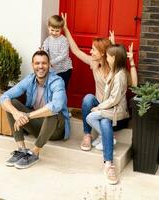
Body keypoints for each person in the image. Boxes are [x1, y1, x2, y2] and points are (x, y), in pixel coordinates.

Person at [61, 13, 137, 151]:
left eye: (94, 49)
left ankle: (106, 138)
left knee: (103, 120)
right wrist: (65, 29)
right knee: (88, 99)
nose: (90, 52)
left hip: (114, 113)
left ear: (103, 53)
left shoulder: (117, 70)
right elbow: (76, 50)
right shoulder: (94, 64)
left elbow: (134, 85)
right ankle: (87, 135)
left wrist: (131, 62)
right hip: (100, 108)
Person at [0, 50, 70, 169]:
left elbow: (56, 105)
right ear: (33, 65)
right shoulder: (29, 80)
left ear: (49, 65)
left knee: (53, 113)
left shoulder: (57, 81)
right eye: (37, 63)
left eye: (44, 63)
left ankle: (35, 152)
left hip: (56, 130)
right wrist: (16, 113)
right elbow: (3, 98)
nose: (40, 66)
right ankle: (21, 149)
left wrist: (27, 116)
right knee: (12, 104)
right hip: (38, 126)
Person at [86, 44, 131, 184]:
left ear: (114, 58)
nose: (106, 57)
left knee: (93, 117)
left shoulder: (120, 75)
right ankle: (109, 139)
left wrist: (99, 107)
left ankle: (108, 164)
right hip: (110, 109)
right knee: (95, 118)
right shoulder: (114, 70)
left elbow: (114, 99)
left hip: (118, 112)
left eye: (109, 56)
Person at [42, 14, 73, 91]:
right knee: (52, 88)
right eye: (52, 30)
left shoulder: (64, 40)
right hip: (53, 70)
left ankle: (62, 102)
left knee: (61, 89)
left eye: (57, 31)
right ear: (48, 27)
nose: (54, 33)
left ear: (61, 29)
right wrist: (42, 52)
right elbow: (45, 50)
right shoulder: (48, 40)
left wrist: (51, 62)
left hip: (64, 70)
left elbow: (63, 55)